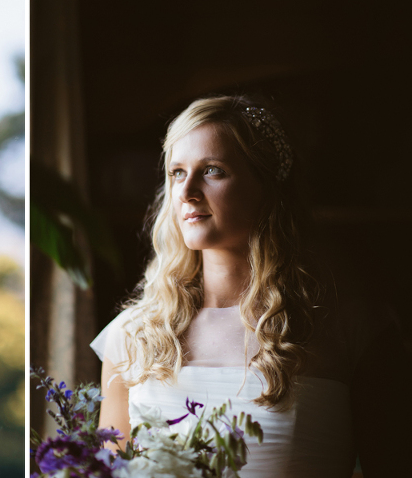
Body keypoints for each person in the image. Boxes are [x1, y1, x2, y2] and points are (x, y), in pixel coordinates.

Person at [90, 95, 409, 477]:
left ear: (267, 186)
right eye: (177, 172)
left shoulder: (350, 327)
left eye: (212, 171)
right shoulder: (132, 335)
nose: (187, 191)